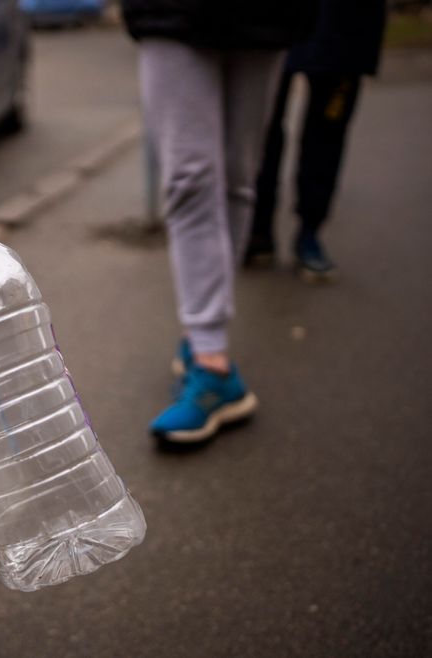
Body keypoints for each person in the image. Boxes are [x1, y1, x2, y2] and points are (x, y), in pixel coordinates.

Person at [120, 1, 317, 442]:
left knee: (239, 176)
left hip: (265, 16)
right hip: (170, 10)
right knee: (190, 177)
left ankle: (202, 336)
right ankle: (211, 359)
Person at [247, 0, 387, 281]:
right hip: (272, 20)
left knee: (327, 133)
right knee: (262, 126)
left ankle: (310, 229)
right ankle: (258, 228)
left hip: (345, 25)